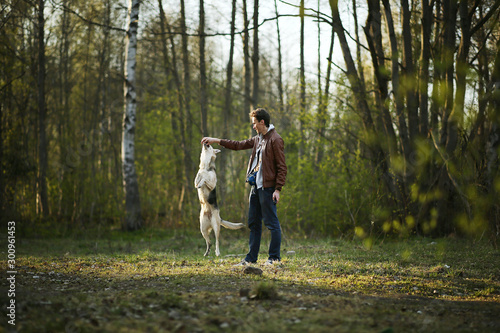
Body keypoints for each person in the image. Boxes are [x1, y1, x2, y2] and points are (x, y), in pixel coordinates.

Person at [201, 108, 287, 265]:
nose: (253, 126)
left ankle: (274, 258)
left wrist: (277, 189)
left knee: (271, 223)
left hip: (268, 188)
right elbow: (238, 145)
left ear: (262, 122)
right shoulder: (258, 139)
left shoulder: (275, 139)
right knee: (253, 223)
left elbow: (282, 167)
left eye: (254, 123)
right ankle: (251, 259)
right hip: (256, 188)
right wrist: (216, 140)